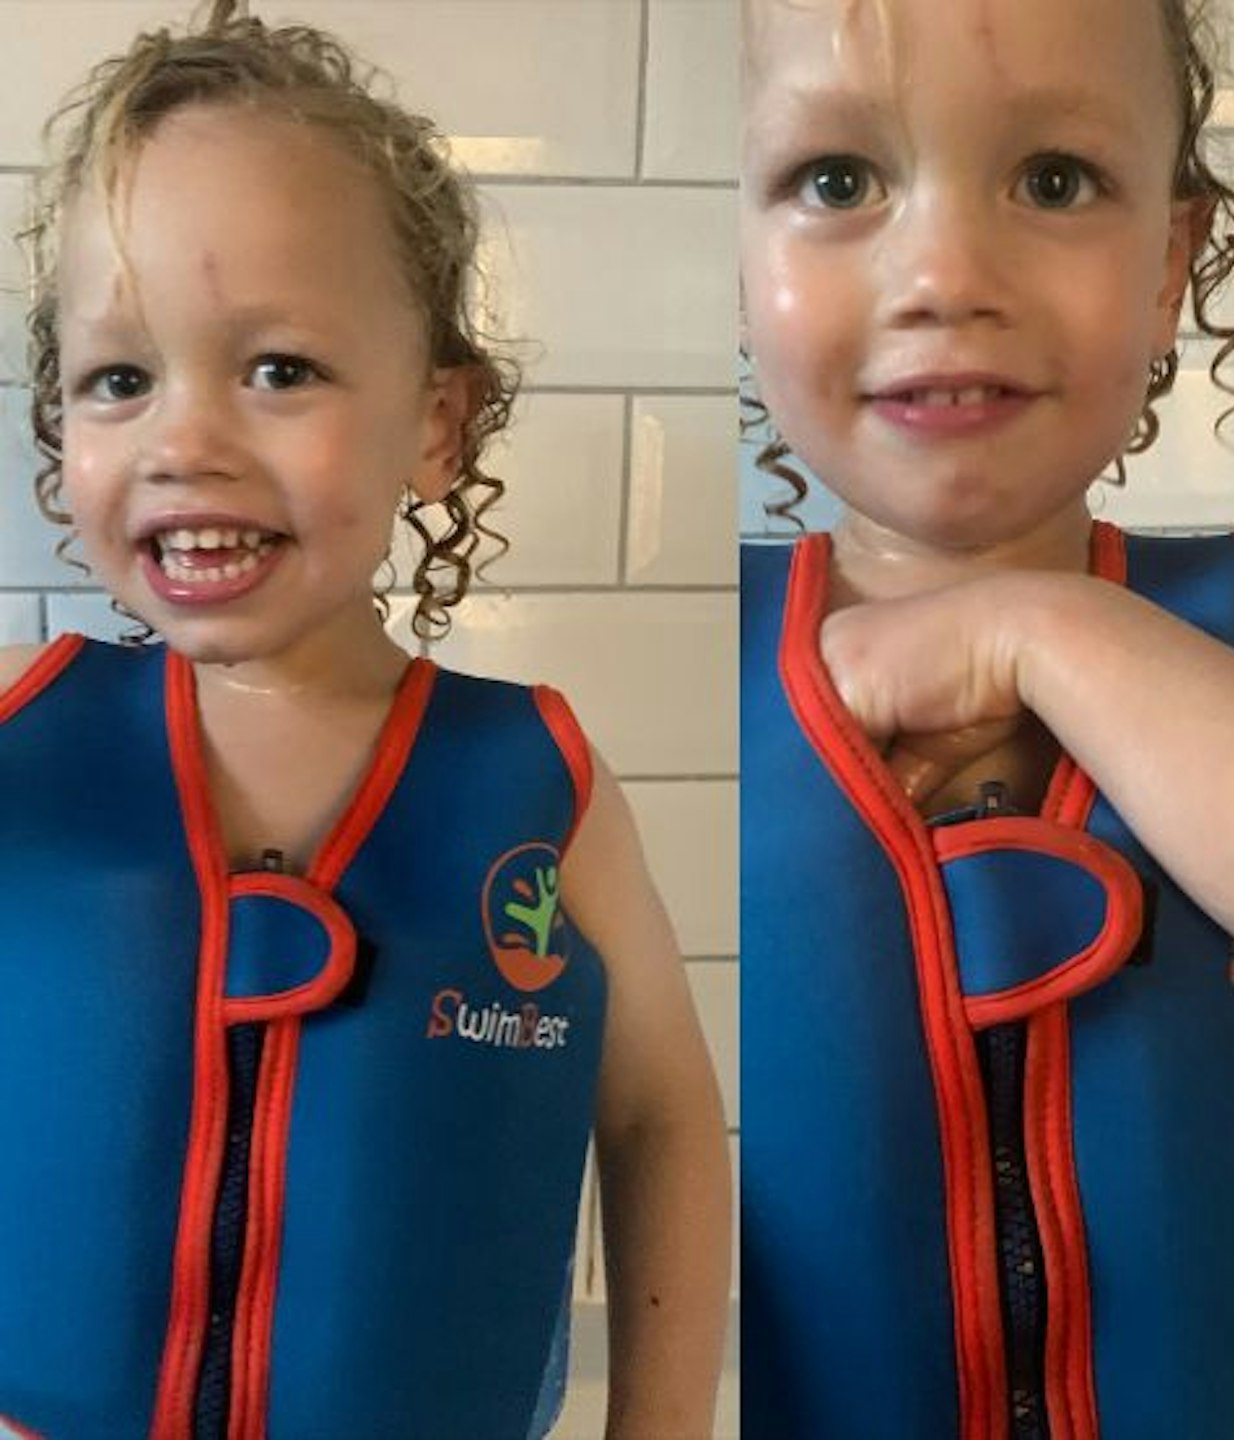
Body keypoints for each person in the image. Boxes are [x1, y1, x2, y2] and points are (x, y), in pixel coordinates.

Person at [0, 5, 729, 1438]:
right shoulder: (20, 750)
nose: (184, 439)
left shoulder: (540, 784)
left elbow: (661, 1126)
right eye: (120, 379)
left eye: (279, 369)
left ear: (437, 423)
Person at [740, 0, 1234, 1436]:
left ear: (1170, 262)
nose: (943, 273)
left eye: (1054, 180)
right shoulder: (726, 647)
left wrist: (1042, 628)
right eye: (835, 181)